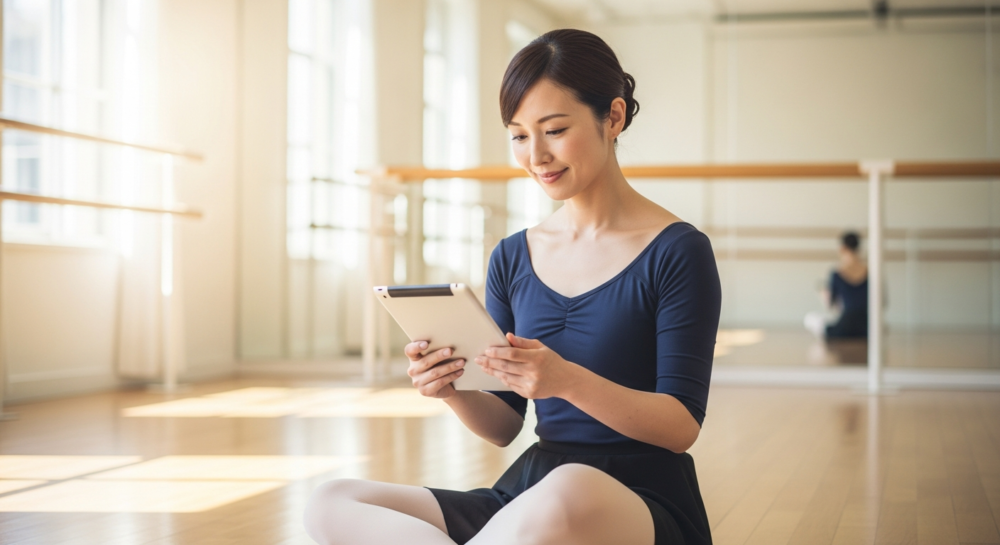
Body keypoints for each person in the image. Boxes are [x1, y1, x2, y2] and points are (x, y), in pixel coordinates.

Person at [304, 29, 721, 545]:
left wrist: (566, 380)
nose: (536, 155)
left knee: (569, 489)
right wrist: (452, 388)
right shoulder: (512, 255)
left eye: (555, 129)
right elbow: (503, 425)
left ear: (612, 117)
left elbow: (681, 426)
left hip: (636, 498)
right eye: (520, 135)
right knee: (332, 501)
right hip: (531, 491)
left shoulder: (678, 250)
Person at [804, 231, 869, 339]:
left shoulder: (838, 273)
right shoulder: (870, 273)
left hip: (844, 329)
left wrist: (824, 295)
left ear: (842, 248)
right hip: (866, 328)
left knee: (810, 318)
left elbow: (831, 306)